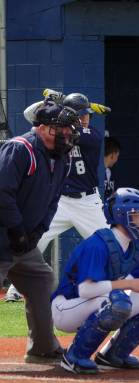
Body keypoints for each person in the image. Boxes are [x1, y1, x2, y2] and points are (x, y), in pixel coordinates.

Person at [51, 188, 139, 374]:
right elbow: (85, 290)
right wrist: (129, 284)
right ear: (121, 216)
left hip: (99, 301)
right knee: (117, 302)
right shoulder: (98, 244)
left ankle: (113, 355)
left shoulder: (134, 246)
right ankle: (74, 357)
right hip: (66, 307)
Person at [4, 92, 110, 302]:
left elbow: (76, 131)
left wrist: (64, 108)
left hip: (87, 202)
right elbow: (30, 115)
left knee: (109, 243)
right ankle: (15, 289)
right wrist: (52, 104)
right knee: (36, 240)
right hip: (61, 201)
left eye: (87, 115)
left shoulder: (92, 135)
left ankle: (124, 283)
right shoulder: (58, 128)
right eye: (83, 115)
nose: (86, 118)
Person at [0, 101, 80, 362]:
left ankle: (42, 348)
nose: (68, 134)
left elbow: (52, 200)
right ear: (44, 128)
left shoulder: (60, 157)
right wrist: (16, 230)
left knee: (42, 281)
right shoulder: (20, 149)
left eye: (69, 129)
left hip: (22, 239)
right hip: (4, 234)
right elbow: (3, 193)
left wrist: (35, 233)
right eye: (63, 129)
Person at [103, 134, 121, 202]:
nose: (117, 160)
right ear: (113, 155)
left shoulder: (110, 173)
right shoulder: (93, 171)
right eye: (117, 156)